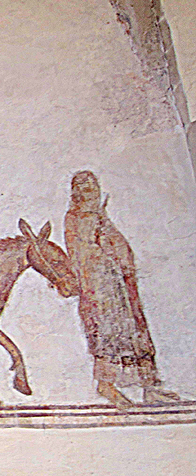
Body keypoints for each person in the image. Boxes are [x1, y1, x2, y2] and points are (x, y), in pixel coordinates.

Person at [64, 170, 178, 407]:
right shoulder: (79, 217)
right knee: (109, 336)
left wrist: (123, 265)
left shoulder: (97, 215)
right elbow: (85, 255)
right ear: (77, 194)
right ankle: (106, 385)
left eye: (93, 188)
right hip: (102, 289)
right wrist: (112, 260)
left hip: (119, 285)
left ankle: (149, 387)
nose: (91, 194)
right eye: (85, 189)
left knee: (136, 333)